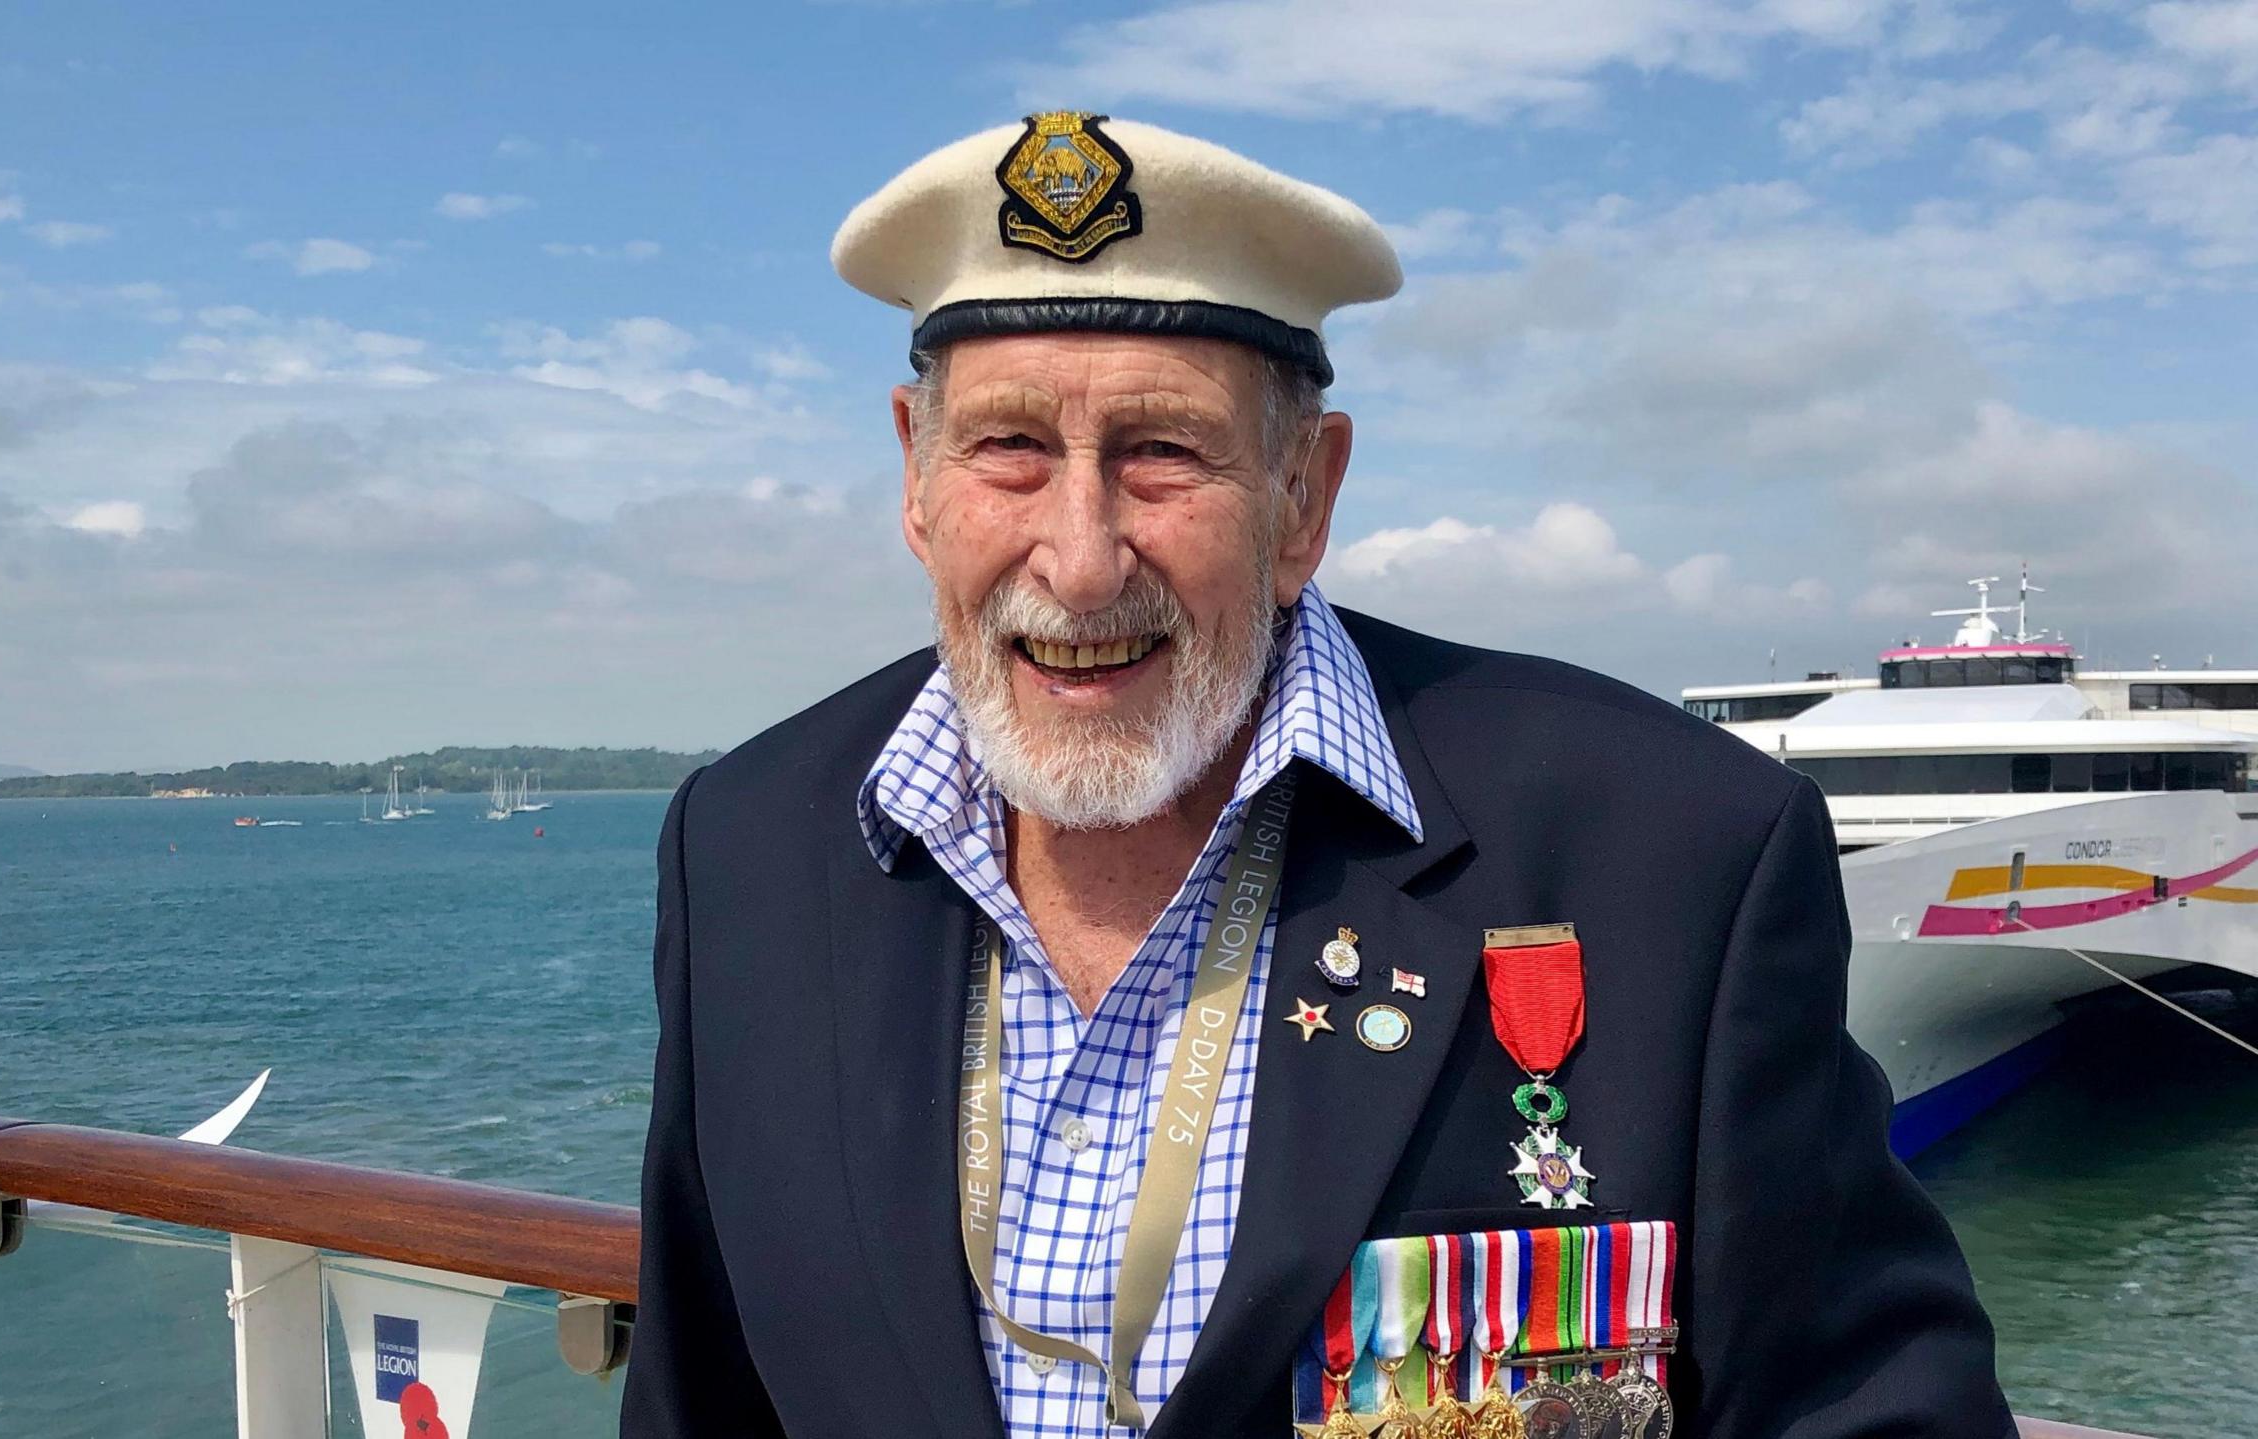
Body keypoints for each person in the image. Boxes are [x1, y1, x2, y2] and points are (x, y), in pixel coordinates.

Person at [622, 113, 2013, 1439]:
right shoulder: (744, 849)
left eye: (1164, 453)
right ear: (917, 479)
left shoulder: (1674, 851)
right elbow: (699, 1400)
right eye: (1010, 451)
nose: (1082, 555)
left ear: (1306, 497)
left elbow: (1870, 1414)